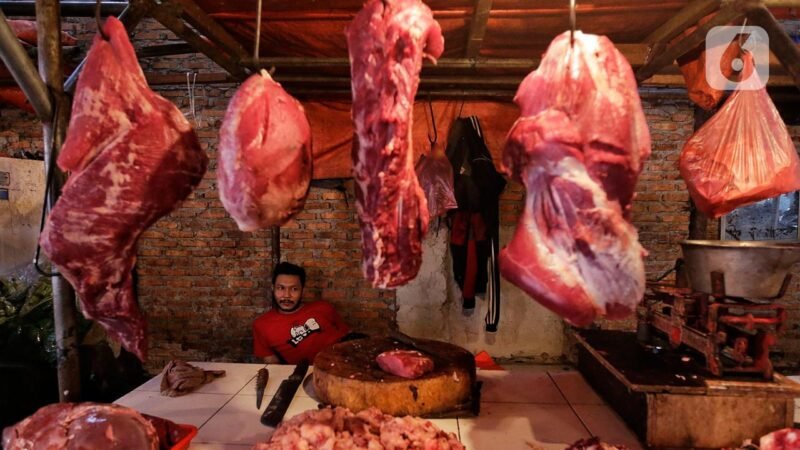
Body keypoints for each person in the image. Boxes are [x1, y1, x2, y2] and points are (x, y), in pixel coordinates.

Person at [253, 262, 350, 364]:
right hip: (305, 372)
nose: (286, 295)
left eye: (294, 289)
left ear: (302, 290)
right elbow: (273, 366)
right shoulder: (262, 325)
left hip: (343, 365)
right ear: (273, 288)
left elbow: (348, 339)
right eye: (281, 288)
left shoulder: (324, 308)